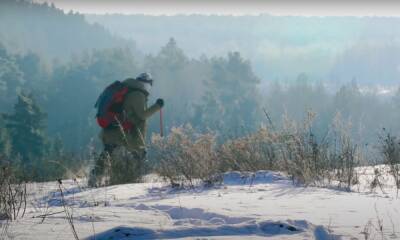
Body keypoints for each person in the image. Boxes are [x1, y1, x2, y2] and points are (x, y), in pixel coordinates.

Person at [88, 73, 164, 187]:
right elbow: (142, 115)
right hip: (121, 131)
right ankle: (137, 179)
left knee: (109, 152)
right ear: (146, 84)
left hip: (113, 128)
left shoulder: (129, 89)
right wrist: (157, 106)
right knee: (139, 153)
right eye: (151, 84)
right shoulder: (138, 94)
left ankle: (96, 177)